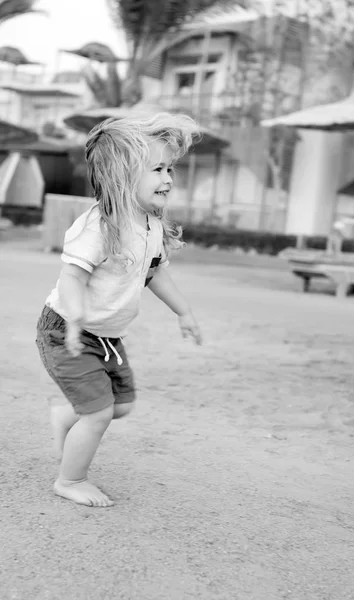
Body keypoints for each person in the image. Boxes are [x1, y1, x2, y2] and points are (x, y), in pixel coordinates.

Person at [36, 112, 203, 508]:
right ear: (122, 175)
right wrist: (76, 317)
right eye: (157, 169)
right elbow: (72, 277)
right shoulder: (99, 224)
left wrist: (184, 312)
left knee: (121, 406)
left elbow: (155, 275)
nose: (168, 179)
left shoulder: (151, 225)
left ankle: (66, 415)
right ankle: (70, 479)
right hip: (67, 330)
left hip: (107, 337)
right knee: (99, 414)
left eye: (170, 169)